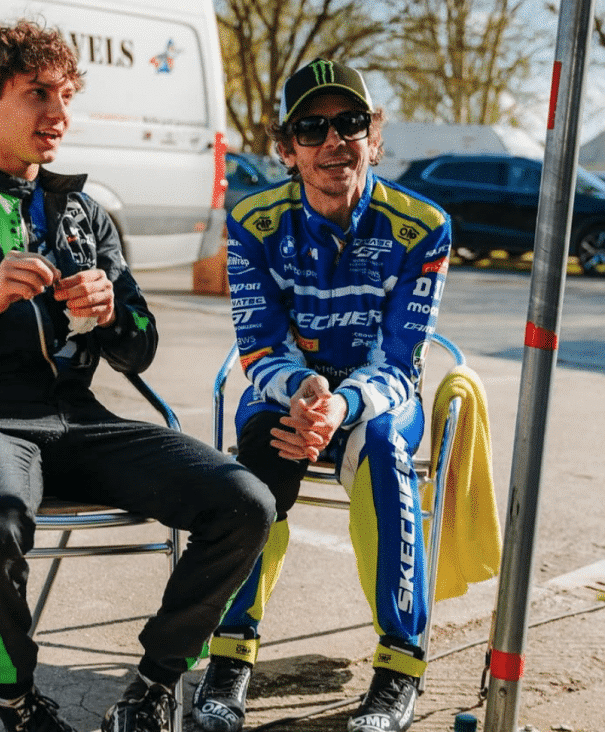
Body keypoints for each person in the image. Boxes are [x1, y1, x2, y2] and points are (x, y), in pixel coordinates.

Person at [0, 19, 274, 732]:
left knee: (247, 501)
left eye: (66, 96)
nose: (58, 114)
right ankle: (16, 699)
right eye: (38, 94)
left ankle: (153, 685)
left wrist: (111, 313)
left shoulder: (84, 212)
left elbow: (140, 349)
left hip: (83, 422)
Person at [191, 59, 452, 732]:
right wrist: (304, 391)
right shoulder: (252, 220)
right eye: (312, 128)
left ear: (374, 137)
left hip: (375, 397)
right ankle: (230, 657)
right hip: (291, 390)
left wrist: (342, 404)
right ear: (288, 149)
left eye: (350, 123)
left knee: (383, 447)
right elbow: (258, 346)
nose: (334, 140)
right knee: (258, 453)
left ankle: (399, 665)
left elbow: (401, 360)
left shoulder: (424, 225)